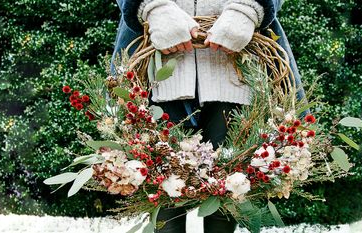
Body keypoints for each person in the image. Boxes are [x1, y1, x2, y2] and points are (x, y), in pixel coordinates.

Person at [111, 0, 305, 232]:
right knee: (161, 194)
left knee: (230, 187)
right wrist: (153, 6)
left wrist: (248, 8)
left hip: (235, 68)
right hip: (156, 66)